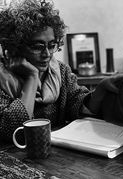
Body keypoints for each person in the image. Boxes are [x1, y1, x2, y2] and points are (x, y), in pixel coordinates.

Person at [0, 0, 103, 142]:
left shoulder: (60, 71)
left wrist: (101, 91)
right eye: (38, 46)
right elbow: (12, 132)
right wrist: (32, 77)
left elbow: (77, 104)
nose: (47, 54)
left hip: (54, 156)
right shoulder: (2, 77)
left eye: (52, 45)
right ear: (16, 45)